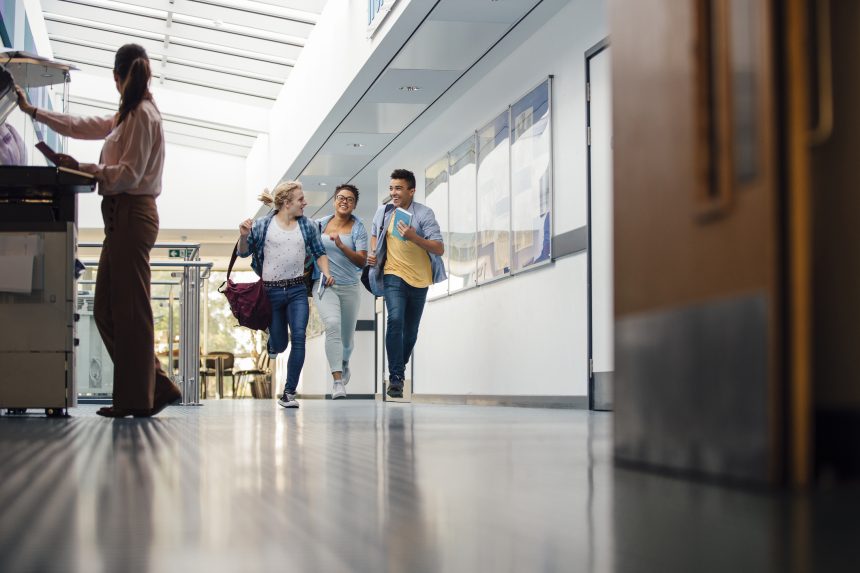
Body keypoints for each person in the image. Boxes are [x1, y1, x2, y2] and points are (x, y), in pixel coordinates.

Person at [16, 43, 181, 418]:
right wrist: (35, 112)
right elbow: (85, 126)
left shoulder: (142, 115)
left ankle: (138, 399)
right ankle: (155, 386)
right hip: (121, 217)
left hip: (132, 214)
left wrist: (85, 168)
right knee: (108, 308)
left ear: (116, 77)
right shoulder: (129, 114)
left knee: (129, 309)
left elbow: (129, 174)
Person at [238, 180, 334, 409]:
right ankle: (273, 342)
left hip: (297, 290)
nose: (305, 202)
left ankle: (289, 393)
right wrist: (243, 235)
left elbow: (320, 252)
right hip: (270, 293)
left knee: (298, 337)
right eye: (301, 199)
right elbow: (243, 253)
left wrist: (326, 274)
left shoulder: (308, 226)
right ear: (286, 203)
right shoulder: (262, 225)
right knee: (281, 344)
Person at [367, 169, 445, 398]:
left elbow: (439, 248)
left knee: (410, 332)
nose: (394, 193)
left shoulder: (424, 214)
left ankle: (397, 367)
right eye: (391, 188)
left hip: (420, 279)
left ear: (412, 190)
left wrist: (414, 237)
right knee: (395, 320)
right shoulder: (383, 212)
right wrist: (373, 253)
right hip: (393, 275)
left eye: (399, 188)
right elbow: (375, 234)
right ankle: (396, 378)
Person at [312, 184, 368, 399]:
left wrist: (342, 245)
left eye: (350, 199)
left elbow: (362, 261)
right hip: (324, 286)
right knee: (332, 325)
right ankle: (337, 382)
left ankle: (344, 362)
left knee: (347, 340)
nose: (344, 201)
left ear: (354, 205)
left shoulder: (358, 227)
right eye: (341, 197)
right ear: (334, 200)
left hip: (350, 287)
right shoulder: (319, 225)